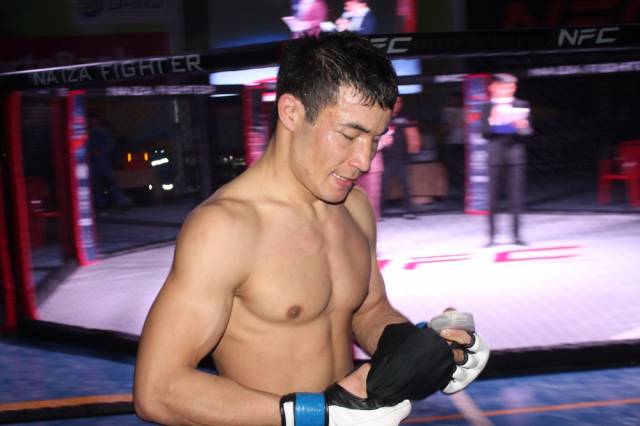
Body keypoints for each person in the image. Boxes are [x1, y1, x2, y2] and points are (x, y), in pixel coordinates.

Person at [134, 32, 488, 426]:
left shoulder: (354, 207)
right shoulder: (225, 229)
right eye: (350, 135)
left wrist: (426, 348)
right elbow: (157, 390)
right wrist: (315, 414)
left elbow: (368, 311)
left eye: (375, 139)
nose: (365, 160)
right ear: (291, 112)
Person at [480, 73, 532, 246]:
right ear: (494, 87)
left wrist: (523, 127)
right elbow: (484, 133)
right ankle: (491, 237)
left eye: (510, 87)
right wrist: (493, 120)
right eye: (503, 87)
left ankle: (516, 236)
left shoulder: (521, 105)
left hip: (515, 156)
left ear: (514, 88)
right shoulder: (487, 106)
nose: (506, 90)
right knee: (493, 198)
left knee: (516, 198)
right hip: (495, 156)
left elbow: (528, 133)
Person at [381, 96, 421, 218]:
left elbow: (413, 137)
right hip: (386, 158)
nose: (397, 104)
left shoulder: (405, 117)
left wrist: (413, 153)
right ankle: (379, 212)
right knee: (383, 185)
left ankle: (409, 211)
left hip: (402, 158)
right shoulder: (382, 117)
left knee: (406, 185)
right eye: (395, 102)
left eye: (399, 102)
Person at [87, 112, 130, 212]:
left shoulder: (103, 132)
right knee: (97, 184)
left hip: (103, 161)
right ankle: (102, 204)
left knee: (110, 182)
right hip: (95, 161)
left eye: (94, 119)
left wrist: (102, 151)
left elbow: (111, 145)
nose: (93, 121)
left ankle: (119, 202)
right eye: (91, 119)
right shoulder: (89, 133)